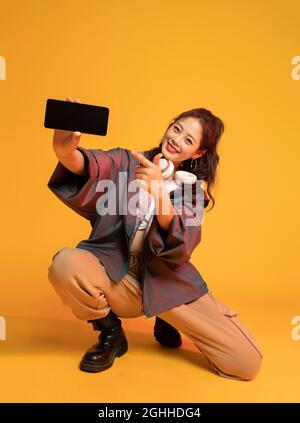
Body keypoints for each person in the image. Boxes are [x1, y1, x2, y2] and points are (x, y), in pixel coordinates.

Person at [47, 96, 263, 380]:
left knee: (246, 363)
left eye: (189, 140)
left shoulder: (192, 192)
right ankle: (110, 332)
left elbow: (181, 246)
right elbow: (84, 164)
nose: (177, 140)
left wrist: (160, 192)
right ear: (169, 126)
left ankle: (165, 316)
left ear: (198, 153)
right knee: (65, 265)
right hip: (117, 277)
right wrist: (64, 150)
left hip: (166, 286)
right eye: (177, 129)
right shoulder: (127, 161)